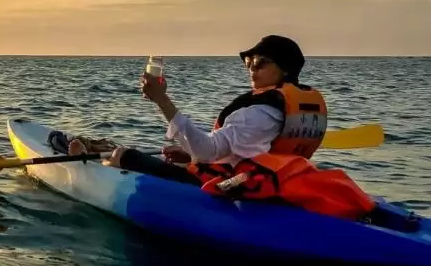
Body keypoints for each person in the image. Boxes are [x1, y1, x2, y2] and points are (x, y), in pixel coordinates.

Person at [55, 35, 327, 186]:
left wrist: (162, 100)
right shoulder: (286, 106)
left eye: (261, 63)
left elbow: (208, 152)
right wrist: (189, 154)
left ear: (286, 70)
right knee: (181, 158)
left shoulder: (259, 112)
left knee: (123, 154)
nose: (252, 69)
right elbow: (253, 151)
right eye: (249, 63)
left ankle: (97, 165)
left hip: (231, 188)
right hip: (267, 182)